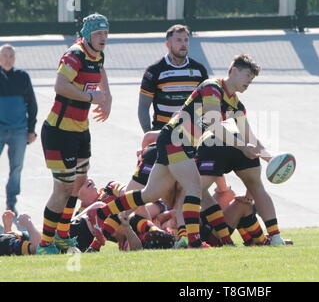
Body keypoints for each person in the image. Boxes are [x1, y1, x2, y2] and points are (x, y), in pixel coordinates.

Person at [88, 54, 263, 249]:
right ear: (233, 71)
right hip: (175, 138)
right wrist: (242, 147)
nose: (249, 81)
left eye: (252, 78)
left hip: (180, 143)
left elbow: (250, 136)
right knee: (195, 186)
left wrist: (267, 155)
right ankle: (193, 241)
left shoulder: (236, 104)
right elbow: (215, 125)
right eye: (247, 75)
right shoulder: (212, 88)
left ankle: (101, 214)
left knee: (149, 194)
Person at [37, 13, 112, 255]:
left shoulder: (96, 54)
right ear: (88, 34)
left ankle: (62, 235)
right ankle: (45, 244)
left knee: (78, 184)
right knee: (63, 187)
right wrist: (92, 97)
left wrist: (107, 97)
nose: (103, 38)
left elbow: (100, 70)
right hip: (59, 132)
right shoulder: (75, 55)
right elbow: (60, 85)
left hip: (81, 130)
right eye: (98, 33)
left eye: (105, 33)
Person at [195, 118, 289, 246]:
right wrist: (270, 159)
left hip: (212, 141)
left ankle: (189, 238)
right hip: (241, 140)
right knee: (256, 190)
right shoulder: (234, 106)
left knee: (196, 192)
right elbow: (253, 141)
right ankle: (274, 237)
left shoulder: (197, 117)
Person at [138, 24, 209, 132]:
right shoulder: (154, 71)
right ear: (168, 44)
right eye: (178, 40)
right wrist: (148, 134)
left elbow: (208, 102)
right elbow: (143, 107)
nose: (183, 44)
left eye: (186, 40)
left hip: (192, 132)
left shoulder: (199, 70)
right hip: (162, 131)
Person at [0, 44, 38, 215]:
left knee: (16, 168)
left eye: (11, 55)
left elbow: (32, 105)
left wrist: (31, 130)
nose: (8, 58)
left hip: (19, 131)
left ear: (14, 58)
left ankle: (11, 203)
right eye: (5, 55)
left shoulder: (23, 77)